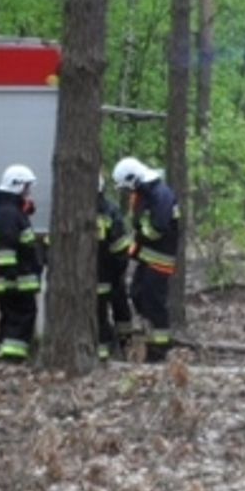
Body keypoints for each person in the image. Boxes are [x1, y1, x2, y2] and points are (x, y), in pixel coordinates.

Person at [112, 156, 180, 364]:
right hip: (148, 258)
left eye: (127, 187)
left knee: (154, 302)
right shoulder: (145, 192)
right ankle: (150, 334)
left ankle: (160, 348)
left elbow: (157, 228)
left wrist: (139, 236)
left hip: (160, 260)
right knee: (137, 293)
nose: (128, 192)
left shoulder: (161, 195)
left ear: (134, 178)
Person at [0, 164, 42, 361]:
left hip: (15, 279)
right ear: (17, 186)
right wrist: (11, 273)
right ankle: (13, 358)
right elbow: (7, 247)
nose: (28, 192)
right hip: (16, 280)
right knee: (20, 317)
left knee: (11, 317)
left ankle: (6, 354)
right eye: (26, 187)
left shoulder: (10, 211)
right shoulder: (8, 214)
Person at [97, 173, 133, 360]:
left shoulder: (72, 212)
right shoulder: (111, 211)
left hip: (96, 278)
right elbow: (121, 247)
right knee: (120, 311)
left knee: (99, 316)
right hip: (111, 274)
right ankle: (125, 348)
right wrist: (118, 271)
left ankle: (106, 352)